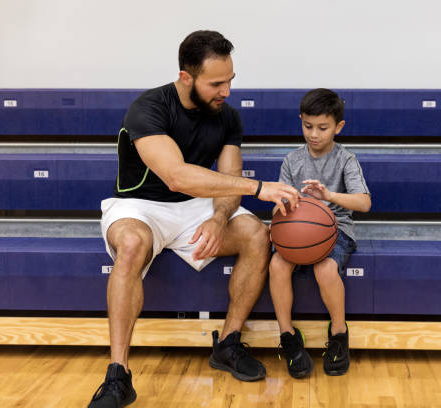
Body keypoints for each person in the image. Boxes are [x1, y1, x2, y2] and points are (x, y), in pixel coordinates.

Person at [88, 30, 300, 408]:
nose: (227, 91)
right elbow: (175, 175)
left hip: (195, 207)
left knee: (255, 233)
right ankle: (118, 374)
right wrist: (259, 188)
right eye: (216, 83)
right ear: (186, 77)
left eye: (231, 80)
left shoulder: (227, 116)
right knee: (132, 244)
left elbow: (230, 180)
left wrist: (220, 220)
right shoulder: (149, 108)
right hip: (140, 206)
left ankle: (229, 343)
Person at [269, 88, 371, 379]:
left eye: (323, 128)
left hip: (335, 229)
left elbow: (364, 202)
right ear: (301, 120)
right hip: (296, 229)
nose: (314, 134)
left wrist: (328, 195)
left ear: (338, 127)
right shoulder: (292, 160)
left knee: (325, 268)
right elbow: (279, 208)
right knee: (277, 264)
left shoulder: (346, 160)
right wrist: (285, 207)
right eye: (308, 126)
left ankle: (338, 333)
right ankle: (288, 335)